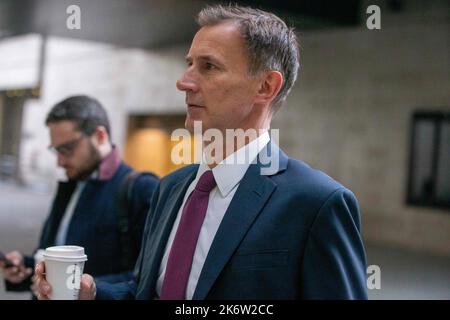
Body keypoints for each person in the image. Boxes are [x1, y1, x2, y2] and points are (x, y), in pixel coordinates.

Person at [35, 5, 368, 300]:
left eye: (208, 67)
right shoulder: (170, 188)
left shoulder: (316, 204)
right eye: (189, 63)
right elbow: (148, 290)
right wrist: (92, 292)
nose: (184, 81)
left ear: (266, 87)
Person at [0, 95, 159, 297]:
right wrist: (26, 267)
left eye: (67, 149)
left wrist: (90, 290)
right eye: (56, 150)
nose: (60, 161)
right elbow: (56, 257)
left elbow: (148, 278)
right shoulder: (72, 181)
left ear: (100, 136)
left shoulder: (142, 189)